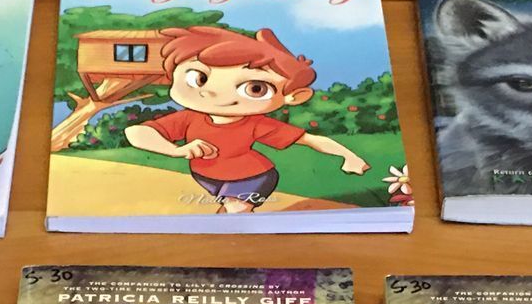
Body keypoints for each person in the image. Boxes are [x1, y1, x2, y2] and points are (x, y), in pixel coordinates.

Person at [123, 25, 370, 214]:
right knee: (228, 211)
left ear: (294, 97)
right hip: (207, 178)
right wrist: (176, 150)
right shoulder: (189, 118)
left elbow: (309, 139)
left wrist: (350, 156)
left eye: (255, 88)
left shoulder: (256, 124)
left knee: (235, 210)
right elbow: (136, 132)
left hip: (252, 177)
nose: (214, 93)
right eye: (200, 78)